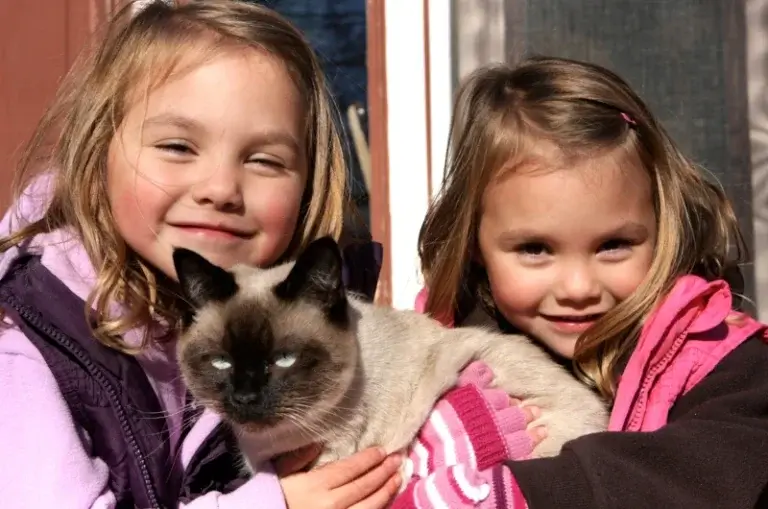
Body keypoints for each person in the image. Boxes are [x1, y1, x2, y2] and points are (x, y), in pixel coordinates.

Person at [0, 1, 398, 508]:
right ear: (98, 150)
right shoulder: (20, 342)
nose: (220, 189)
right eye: (178, 147)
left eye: (263, 159)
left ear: (309, 183)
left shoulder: (321, 332)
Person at [393, 56, 768, 508]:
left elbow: (715, 467)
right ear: (474, 241)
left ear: (662, 224)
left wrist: (514, 495)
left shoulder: (725, 361)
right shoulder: (439, 361)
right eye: (535, 249)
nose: (577, 288)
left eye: (613, 244)